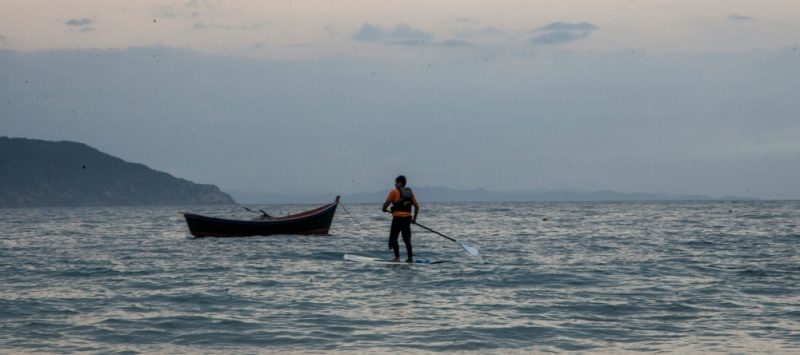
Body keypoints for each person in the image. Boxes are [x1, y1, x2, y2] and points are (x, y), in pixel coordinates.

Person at [382, 175, 420, 262]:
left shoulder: (394, 192)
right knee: (407, 239)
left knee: (394, 238)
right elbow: (417, 207)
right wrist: (414, 219)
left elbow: (387, 203)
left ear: (399, 183)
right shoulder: (410, 193)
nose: (395, 184)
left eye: (396, 182)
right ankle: (410, 258)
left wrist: (384, 209)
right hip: (407, 219)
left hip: (398, 219)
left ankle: (397, 258)